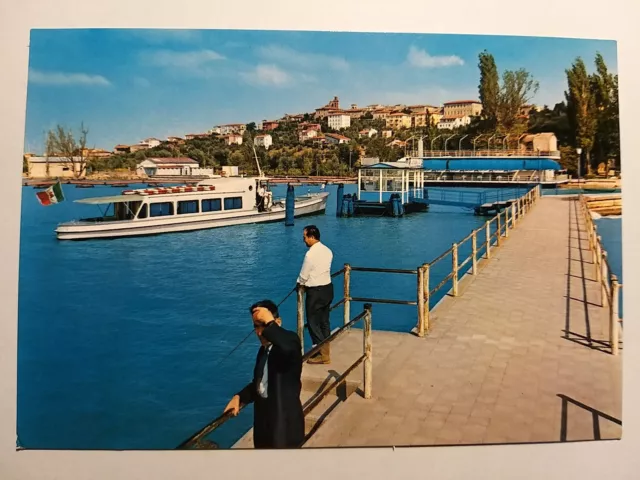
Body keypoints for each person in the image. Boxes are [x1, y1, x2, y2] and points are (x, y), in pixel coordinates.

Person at [223, 300, 304, 449]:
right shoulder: (263, 352)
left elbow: (288, 346)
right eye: (256, 326)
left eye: (264, 325)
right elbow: (259, 385)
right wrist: (239, 397)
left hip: (285, 430)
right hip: (264, 430)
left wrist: (269, 322)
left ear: (277, 323)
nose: (260, 332)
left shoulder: (291, 342)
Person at [296, 225, 334, 365]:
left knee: (312, 322)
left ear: (312, 237)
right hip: (328, 289)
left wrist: (299, 284)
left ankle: (322, 353)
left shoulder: (310, 254)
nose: (304, 240)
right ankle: (326, 350)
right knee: (324, 321)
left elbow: (304, 274)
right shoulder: (328, 251)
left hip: (315, 291)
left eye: (305, 237)